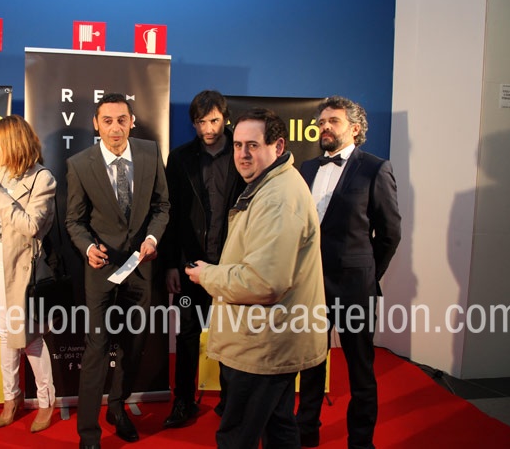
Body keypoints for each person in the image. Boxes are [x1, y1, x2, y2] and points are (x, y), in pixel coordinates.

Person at [186, 107, 327, 449]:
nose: (243, 154)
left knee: (238, 437)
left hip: (263, 345)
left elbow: (264, 283)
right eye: (237, 145)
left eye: (252, 145)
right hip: (269, 340)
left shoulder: (278, 198)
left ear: (278, 147)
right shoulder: (273, 185)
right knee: (279, 428)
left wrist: (208, 275)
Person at [295, 96, 402, 449]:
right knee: (311, 364)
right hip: (311, 285)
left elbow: (390, 233)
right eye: (322, 122)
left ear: (355, 128)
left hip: (355, 288)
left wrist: (368, 275)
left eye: (334, 121)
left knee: (360, 369)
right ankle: (306, 431)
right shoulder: (306, 169)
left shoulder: (375, 168)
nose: (324, 127)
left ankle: (360, 441)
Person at [65, 93, 170, 449]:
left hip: (140, 270)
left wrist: (152, 238)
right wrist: (87, 248)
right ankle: (88, 434)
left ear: (131, 122)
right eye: (107, 121)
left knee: (133, 346)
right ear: (96, 124)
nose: (115, 128)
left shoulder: (150, 153)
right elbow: (74, 220)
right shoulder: (80, 164)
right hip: (101, 272)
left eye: (121, 120)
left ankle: (117, 408)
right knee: (96, 349)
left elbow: (162, 205)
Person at [160, 90, 245, 428]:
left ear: (225, 118)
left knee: (231, 336)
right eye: (200, 122)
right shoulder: (180, 158)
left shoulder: (243, 154)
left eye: (213, 120)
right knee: (186, 335)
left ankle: (231, 402)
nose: (207, 128)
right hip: (191, 267)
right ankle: (183, 401)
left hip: (231, 266)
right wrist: (171, 263)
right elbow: (170, 214)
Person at [0, 115, 57, 433]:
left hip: (24, 267)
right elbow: (0, 220)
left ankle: (46, 401)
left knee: (29, 337)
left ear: (11, 144)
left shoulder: (43, 179)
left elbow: (32, 226)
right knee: (5, 333)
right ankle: (11, 398)